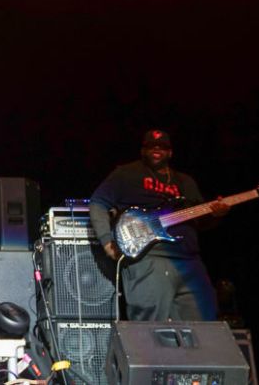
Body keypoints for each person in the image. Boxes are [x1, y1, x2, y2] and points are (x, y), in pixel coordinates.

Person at [89, 130, 228, 321]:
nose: (156, 150)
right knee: (150, 327)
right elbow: (98, 203)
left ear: (170, 153)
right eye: (151, 146)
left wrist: (216, 215)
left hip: (189, 261)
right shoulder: (126, 173)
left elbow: (201, 221)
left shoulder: (185, 182)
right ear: (142, 151)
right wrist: (107, 242)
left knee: (205, 323)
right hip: (148, 259)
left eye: (162, 147)